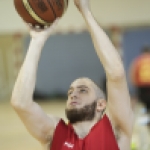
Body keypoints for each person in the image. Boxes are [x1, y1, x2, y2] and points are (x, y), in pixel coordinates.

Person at [11, 0, 134, 150]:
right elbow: (20, 103)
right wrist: (37, 40)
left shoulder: (116, 132)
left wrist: (86, 12)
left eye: (83, 90)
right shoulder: (54, 134)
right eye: (70, 92)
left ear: (101, 104)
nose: (73, 95)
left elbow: (116, 73)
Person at [129, 46, 150, 115]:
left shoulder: (138, 60)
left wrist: (133, 83)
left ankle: (145, 112)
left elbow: (133, 71)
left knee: (142, 101)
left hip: (141, 85)